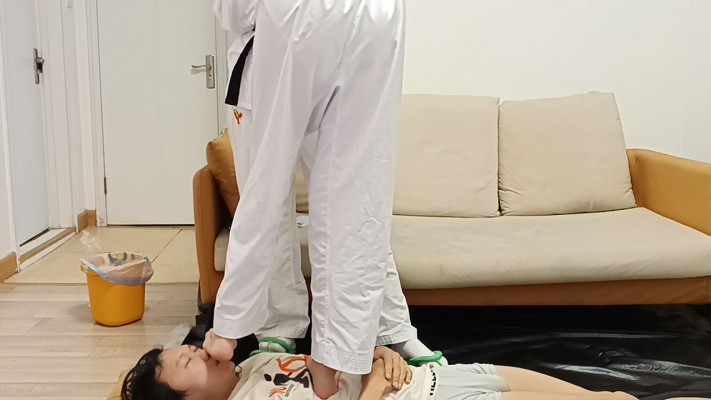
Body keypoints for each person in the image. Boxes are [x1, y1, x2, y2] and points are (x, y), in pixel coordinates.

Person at [207, 1, 435, 396]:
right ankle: (335, 355)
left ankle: (236, 328)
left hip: (293, 22)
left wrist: (228, 322)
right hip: (379, 16)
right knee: (359, 196)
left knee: (268, 186)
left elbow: (236, 11)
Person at [121, 344, 650, 400]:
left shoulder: (257, 363)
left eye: (185, 349)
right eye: (182, 365)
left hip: (441, 376)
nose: (192, 352)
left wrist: (378, 353)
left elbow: (336, 359)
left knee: (609, 396)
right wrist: (376, 380)